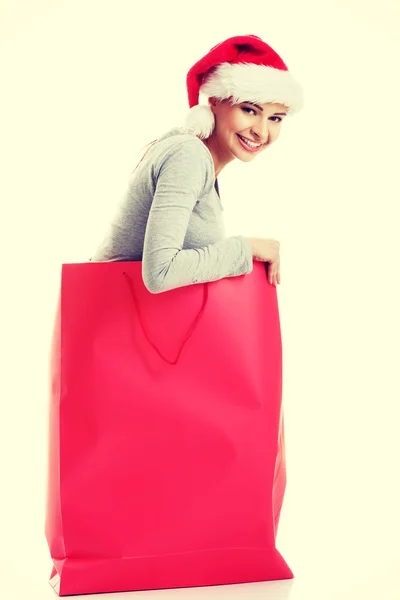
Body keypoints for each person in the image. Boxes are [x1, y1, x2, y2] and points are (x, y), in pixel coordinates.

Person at [91, 34, 304, 293]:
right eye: (249, 110)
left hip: (121, 320)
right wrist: (246, 248)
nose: (261, 131)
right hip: (108, 318)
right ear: (214, 101)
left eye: (276, 118)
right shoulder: (188, 154)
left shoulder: (201, 160)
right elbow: (160, 273)